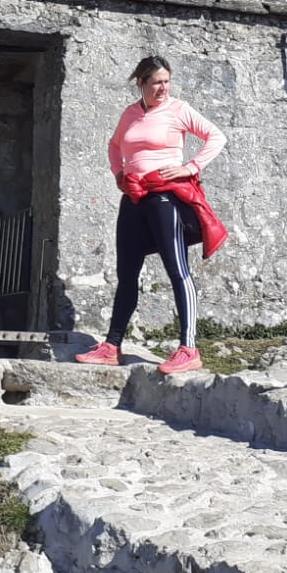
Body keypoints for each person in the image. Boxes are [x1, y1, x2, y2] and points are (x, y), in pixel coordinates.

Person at [76, 54, 227, 375]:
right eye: (156, 82)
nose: (163, 88)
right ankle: (111, 346)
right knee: (126, 274)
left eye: (167, 82)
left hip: (164, 197)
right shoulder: (130, 114)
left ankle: (189, 348)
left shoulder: (178, 109)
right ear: (140, 83)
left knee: (177, 269)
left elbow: (217, 137)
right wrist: (119, 174)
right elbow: (115, 146)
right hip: (133, 197)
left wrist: (189, 167)